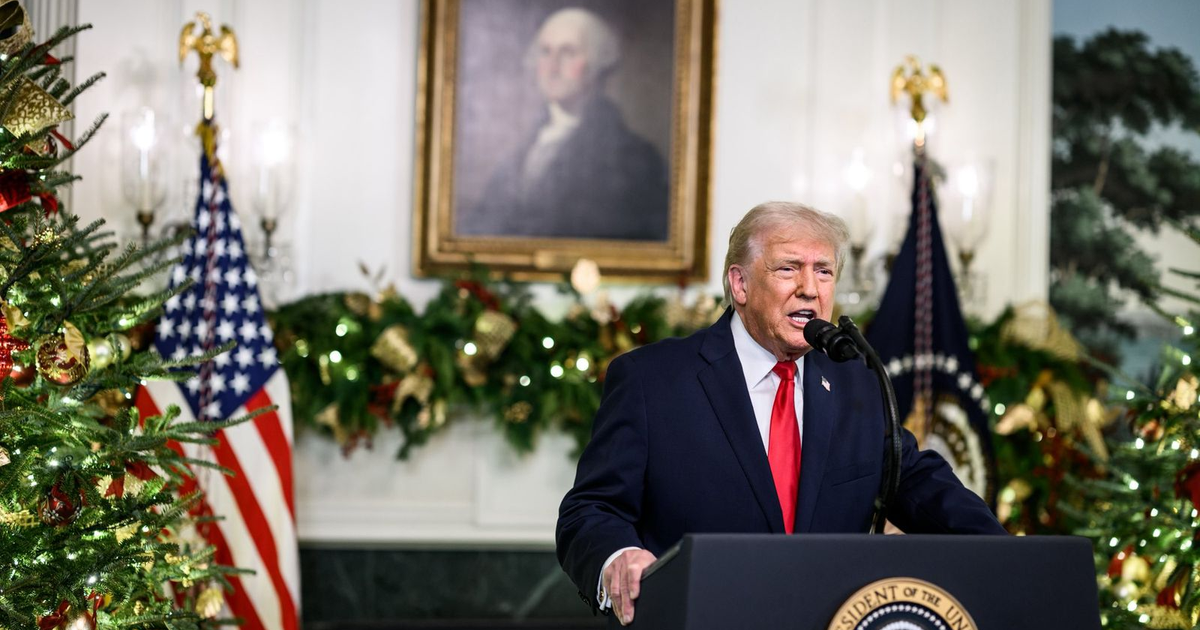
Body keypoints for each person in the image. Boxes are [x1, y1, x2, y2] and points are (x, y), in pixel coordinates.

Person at [555, 201, 1006, 625]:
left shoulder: (858, 380)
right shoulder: (652, 380)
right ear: (741, 284)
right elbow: (590, 510)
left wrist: (1008, 555)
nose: (809, 288)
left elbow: (920, 484)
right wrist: (618, 558)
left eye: (824, 271)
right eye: (789, 268)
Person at [457, 7, 669, 241]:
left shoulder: (635, 158)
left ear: (597, 63)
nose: (553, 66)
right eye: (545, 52)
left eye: (568, 52)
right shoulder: (523, 150)